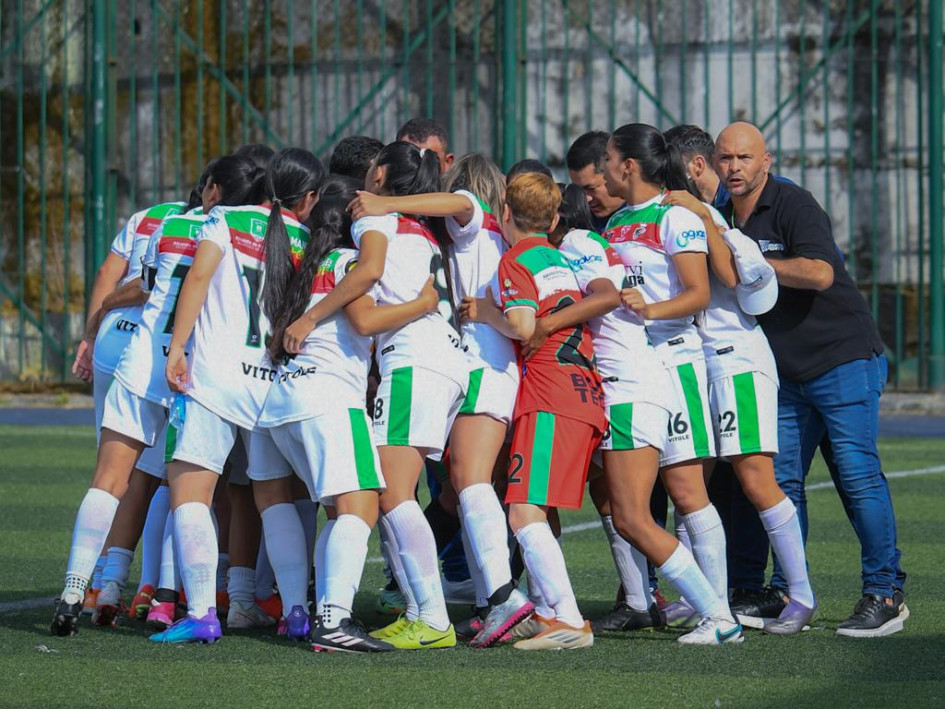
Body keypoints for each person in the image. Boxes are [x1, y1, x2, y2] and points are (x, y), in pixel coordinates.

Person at [715, 121, 907, 638]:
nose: (734, 167)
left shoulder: (793, 204)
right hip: (784, 373)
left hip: (841, 358)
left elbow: (822, 273)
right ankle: (790, 591)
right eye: (726, 158)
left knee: (856, 474)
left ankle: (885, 592)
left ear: (766, 160)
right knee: (783, 485)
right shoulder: (717, 211)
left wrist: (759, 261)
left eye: (744, 158)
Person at [48, 160, 252, 637]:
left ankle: (79, 588)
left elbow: (145, 284)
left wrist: (99, 316)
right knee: (186, 491)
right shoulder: (254, 238)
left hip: (143, 362)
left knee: (109, 479)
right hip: (194, 370)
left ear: (212, 190)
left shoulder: (171, 223)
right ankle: (182, 603)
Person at [348, 153, 534, 648]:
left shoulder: (469, 220)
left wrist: (383, 202)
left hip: (469, 361)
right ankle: (485, 599)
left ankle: (491, 600)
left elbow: (456, 201)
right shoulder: (459, 236)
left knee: (437, 485)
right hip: (466, 361)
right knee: (458, 486)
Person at [153, 148, 326, 645]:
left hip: (214, 379)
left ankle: (204, 612)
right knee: (274, 501)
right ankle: (296, 611)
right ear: (308, 197)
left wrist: (178, 347)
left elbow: (199, 279)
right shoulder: (307, 239)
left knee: (191, 493)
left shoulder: (225, 220)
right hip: (271, 386)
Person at [260, 196, 441, 652]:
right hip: (329, 397)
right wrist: (423, 303)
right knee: (361, 506)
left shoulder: (302, 267)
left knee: (340, 512)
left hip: (283, 400)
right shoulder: (348, 261)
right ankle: (335, 620)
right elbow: (364, 320)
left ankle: (319, 611)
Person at [600, 123, 744, 643]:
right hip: (634, 365)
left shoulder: (675, 215)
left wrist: (650, 309)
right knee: (639, 502)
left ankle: (717, 609)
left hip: (675, 360)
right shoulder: (616, 219)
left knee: (686, 490)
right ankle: (700, 608)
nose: (603, 168)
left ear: (629, 166)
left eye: (609, 158)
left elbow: (699, 292)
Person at [463, 172, 604, 651]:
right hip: (580, 390)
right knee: (533, 509)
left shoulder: (514, 259)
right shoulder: (557, 257)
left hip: (550, 393)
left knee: (522, 512)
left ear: (505, 214)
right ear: (554, 217)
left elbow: (524, 326)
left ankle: (567, 618)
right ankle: (554, 611)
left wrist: (485, 313)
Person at [348, 141, 469, 650]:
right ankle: (422, 610)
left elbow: (369, 277)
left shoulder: (375, 219)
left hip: (415, 360)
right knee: (392, 490)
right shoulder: (425, 227)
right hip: (444, 359)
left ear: (378, 177)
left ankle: (434, 619)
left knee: (392, 493)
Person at [566, 131, 626, 232]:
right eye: (578, 190)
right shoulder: (573, 221)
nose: (586, 198)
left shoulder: (654, 218)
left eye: (591, 188)